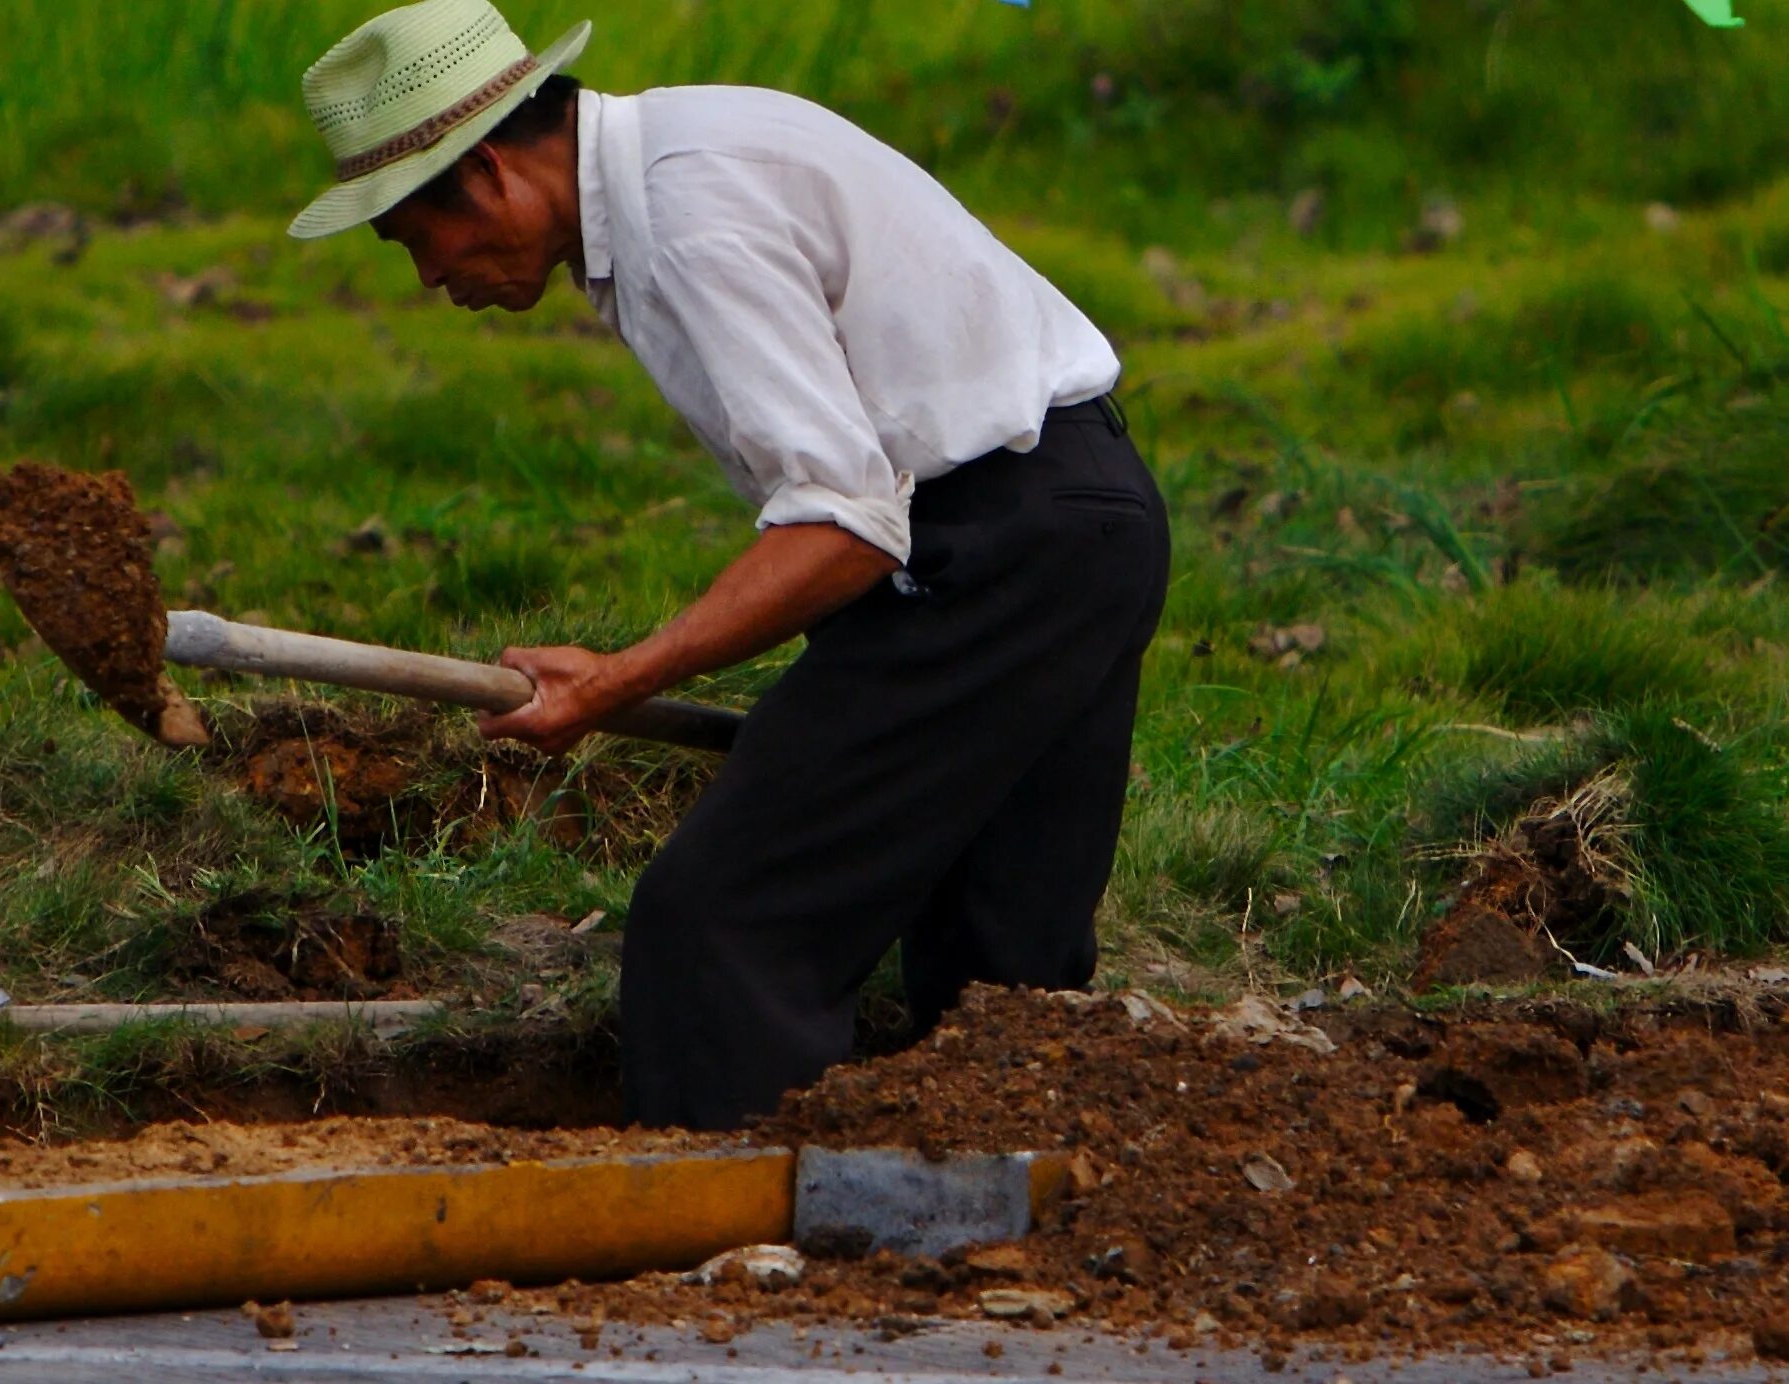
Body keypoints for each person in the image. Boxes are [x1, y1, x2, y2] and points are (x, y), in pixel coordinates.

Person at [289, 1, 1170, 1131]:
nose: (426, 276)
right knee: (999, 960)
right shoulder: (681, 152)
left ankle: (732, 1258)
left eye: (413, 237)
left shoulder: (685, 222)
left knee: (725, 920)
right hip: (1083, 521)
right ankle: (1013, 1242)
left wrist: (619, 676)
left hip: (998, 552)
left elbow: (845, 525)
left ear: (495, 172)